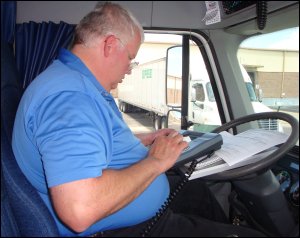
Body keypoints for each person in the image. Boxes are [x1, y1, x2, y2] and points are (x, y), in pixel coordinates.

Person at [12, 2, 265, 237]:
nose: (128, 69)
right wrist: (156, 161)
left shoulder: (75, 81)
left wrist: (143, 140)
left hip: (130, 206)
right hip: (120, 227)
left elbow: (88, 141)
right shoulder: (70, 99)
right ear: (110, 45)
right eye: (130, 58)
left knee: (197, 192)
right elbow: (81, 210)